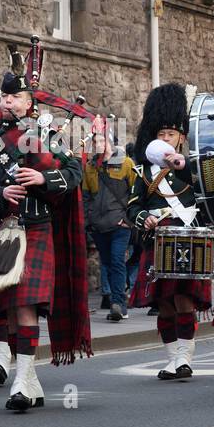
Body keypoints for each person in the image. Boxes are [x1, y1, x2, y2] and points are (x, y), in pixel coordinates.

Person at [0, 38, 92, 414]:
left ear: (30, 103)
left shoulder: (49, 137)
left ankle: (23, 380)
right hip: (2, 226)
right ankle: (30, 378)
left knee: (25, 303)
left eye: (16, 98)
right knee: (8, 308)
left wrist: (43, 181)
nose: (7, 103)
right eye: (3, 98)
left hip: (36, 227)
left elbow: (74, 173)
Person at [129, 83, 209, 379]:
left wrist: (183, 164)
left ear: (181, 138)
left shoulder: (191, 168)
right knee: (163, 302)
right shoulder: (142, 172)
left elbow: (208, 195)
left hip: (186, 238)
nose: (165, 140)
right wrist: (144, 220)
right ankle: (172, 358)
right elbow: (132, 208)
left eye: (171, 135)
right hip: (156, 240)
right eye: (160, 135)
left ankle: (185, 358)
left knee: (183, 298)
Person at [83, 133, 136, 321]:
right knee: (107, 263)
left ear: (110, 143)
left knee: (116, 261)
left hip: (120, 224)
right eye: (95, 141)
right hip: (99, 225)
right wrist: (89, 222)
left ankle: (119, 304)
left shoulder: (126, 163)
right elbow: (86, 197)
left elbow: (135, 194)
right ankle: (117, 301)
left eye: (102, 141)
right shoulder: (89, 167)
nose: (98, 145)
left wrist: (128, 220)